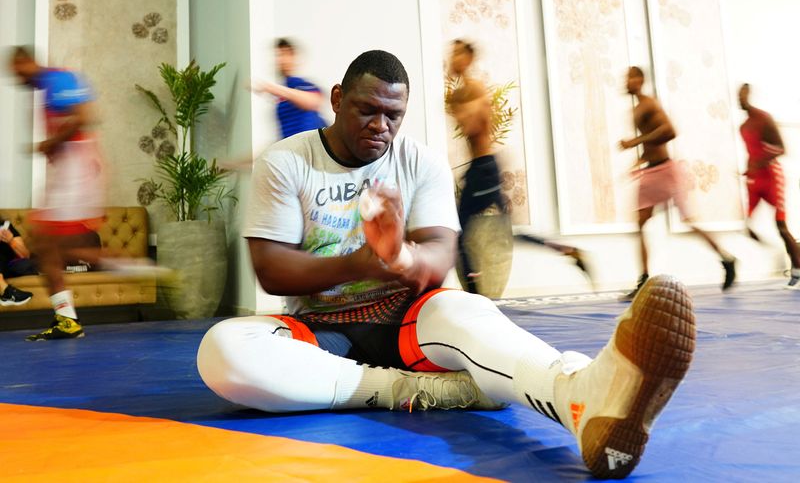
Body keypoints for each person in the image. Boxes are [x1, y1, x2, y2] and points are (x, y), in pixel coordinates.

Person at [197, 50, 696, 479]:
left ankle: (583, 399)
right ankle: (419, 391)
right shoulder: (287, 161)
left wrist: (399, 256)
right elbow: (272, 270)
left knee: (466, 310)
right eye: (366, 109)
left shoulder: (420, 162)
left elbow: (438, 257)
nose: (380, 125)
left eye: (393, 115)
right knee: (222, 351)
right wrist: (363, 262)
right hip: (323, 333)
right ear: (335, 99)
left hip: (411, 327)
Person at [446, 40, 589, 293]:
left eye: (457, 55)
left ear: (468, 58)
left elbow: (469, 121)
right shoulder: (467, 91)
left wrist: (458, 101)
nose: (452, 59)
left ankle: (475, 294)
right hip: (482, 169)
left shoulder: (476, 91)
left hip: (483, 171)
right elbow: (453, 105)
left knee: (459, 231)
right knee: (511, 233)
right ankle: (567, 250)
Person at [8, 46, 106, 341]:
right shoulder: (45, 86)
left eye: (17, 70)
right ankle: (66, 318)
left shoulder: (56, 80)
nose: (16, 78)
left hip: (75, 168)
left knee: (47, 243)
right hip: (69, 169)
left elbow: (84, 115)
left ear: (26, 61)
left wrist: (50, 143)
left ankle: (133, 267)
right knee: (47, 245)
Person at [619, 66, 736, 299]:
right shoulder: (636, 109)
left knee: (689, 222)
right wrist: (638, 161)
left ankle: (727, 259)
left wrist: (635, 142)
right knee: (640, 223)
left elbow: (670, 131)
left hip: (667, 171)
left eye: (631, 78)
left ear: (640, 80)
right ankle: (643, 279)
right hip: (651, 172)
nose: (626, 82)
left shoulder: (650, 104)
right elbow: (652, 143)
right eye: (626, 78)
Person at [738, 83, 800, 289]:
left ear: (750, 95)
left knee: (781, 226)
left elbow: (780, 148)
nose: (740, 99)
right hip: (756, 180)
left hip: (772, 177)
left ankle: (798, 271)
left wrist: (761, 162)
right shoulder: (743, 127)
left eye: (744, 94)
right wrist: (749, 169)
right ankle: (772, 249)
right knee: (747, 224)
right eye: (738, 95)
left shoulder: (763, 118)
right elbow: (751, 153)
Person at [251, 38, 327, 140]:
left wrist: (270, 88)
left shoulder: (302, 84)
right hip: (292, 150)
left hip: (310, 149)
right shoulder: (281, 97)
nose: (282, 59)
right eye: (279, 55)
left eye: (287, 53)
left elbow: (313, 101)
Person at [0, 220, 36, 306]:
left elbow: (25, 255)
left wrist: (11, 240)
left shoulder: (6, 226)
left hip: (8, 267)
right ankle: (7, 291)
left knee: (27, 264)